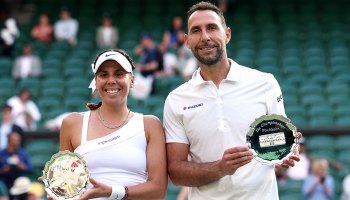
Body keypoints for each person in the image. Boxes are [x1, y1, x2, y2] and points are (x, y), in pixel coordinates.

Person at [163, 2, 301, 199]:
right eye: (196, 30)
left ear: (227, 34)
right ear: (187, 40)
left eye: (212, 28)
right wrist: (220, 168)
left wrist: (287, 152)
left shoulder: (265, 83)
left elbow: (280, 140)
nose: (205, 37)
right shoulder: (176, 100)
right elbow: (176, 172)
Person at [59, 49, 167, 199]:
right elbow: (67, 186)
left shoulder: (150, 125)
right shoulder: (72, 123)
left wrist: (112, 192)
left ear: (132, 80)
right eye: (103, 75)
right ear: (96, 81)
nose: (111, 80)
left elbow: (158, 189)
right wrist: (58, 192)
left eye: (119, 74)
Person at [0, 132, 32, 198]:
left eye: (18, 140)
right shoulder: (2, 154)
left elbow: (30, 168)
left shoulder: (23, 153)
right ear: (9, 141)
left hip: (20, 182)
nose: (17, 142)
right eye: (15, 140)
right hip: (5, 182)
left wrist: (21, 166)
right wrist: (4, 170)